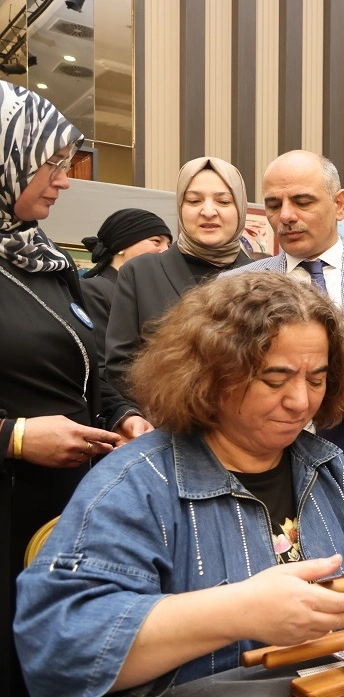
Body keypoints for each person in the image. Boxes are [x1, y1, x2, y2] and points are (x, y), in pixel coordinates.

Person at [14, 273, 344, 697]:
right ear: (212, 374)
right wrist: (237, 612)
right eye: (275, 379)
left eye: (316, 379)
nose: (300, 402)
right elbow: (60, 651)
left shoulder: (331, 473)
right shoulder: (135, 488)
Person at [0, 80, 150, 697]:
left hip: (66, 511)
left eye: (69, 164)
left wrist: (124, 415)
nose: (65, 180)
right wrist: (15, 437)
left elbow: (88, 368)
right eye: (52, 162)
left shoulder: (41, 260)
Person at [231, 150, 344, 516]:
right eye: (273, 204)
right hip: (270, 467)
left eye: (301, 201)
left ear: (339, 203)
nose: (285, 216)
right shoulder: (239, 286)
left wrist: (286, 370)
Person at [105, 156, 253, 398]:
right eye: (194, 200)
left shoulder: (262, 276)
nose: (208, 211)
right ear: (179, 207)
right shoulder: (140, 272)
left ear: (240, 209)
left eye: (223, 201)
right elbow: (120, 364)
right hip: (163, 424)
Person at [80, 208, 172, 349]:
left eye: (169, 245)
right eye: (156, 241)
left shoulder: (155, 295)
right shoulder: (93, 291)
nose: (166, 251)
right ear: (122, 245)